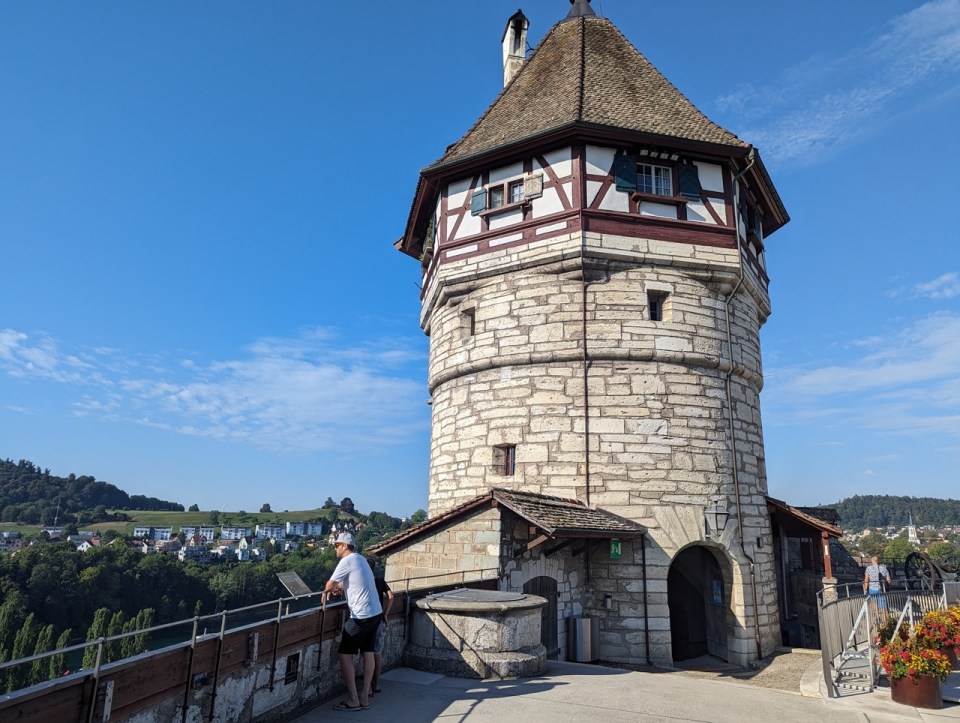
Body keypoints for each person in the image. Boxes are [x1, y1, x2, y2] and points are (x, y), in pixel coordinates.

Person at [323, 532, 382, 712]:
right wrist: (341, 587)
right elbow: (354, 581)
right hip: (375, 612)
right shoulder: (361, 559)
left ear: (344, 546)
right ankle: (365, 696)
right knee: (368, 651)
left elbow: (330, 584)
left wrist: (327, 591)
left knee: (344, 654)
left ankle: (353, 699)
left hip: (361, 615)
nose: (335, 548)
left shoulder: (346, 561)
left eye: (337, 545)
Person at [367, 557, 394, 695]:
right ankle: (376, 683)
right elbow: (391, 596)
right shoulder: (379, 580)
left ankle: (368, 687)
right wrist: (386, 613)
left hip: (368, 620)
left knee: (367, 653)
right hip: (380, 619)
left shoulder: (365, 582)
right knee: (377, 653)